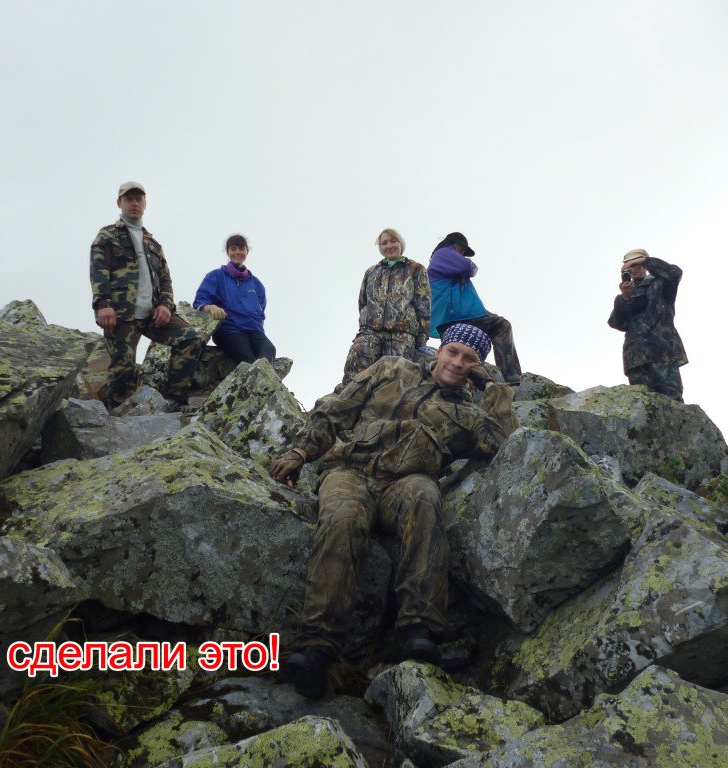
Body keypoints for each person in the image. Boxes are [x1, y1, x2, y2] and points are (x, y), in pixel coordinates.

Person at [269, 323, 519, 698]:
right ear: (439, 351)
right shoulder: (391, 367)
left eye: (470, 359)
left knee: (425, 496)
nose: (457, 362)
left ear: (477, 366)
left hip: (403, 484)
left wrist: (492, 388)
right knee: (343, 518)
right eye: (453, 352)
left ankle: (418, 630)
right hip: (349, 473)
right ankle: (317, 647)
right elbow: (335, 412)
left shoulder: (468, 415)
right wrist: (300, 452)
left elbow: (506, 441)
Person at [90, 182, 204, 409]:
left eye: (138, 199)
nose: (134, 203)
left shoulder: (153, 244)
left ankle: (174, 399)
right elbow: (98, 272)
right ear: (119, 203)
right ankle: (117, 415)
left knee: (190, 338)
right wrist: (103, 304)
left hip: (153, 314)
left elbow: (165, 280)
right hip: (121, 314)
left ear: (145, 204)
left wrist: (165, 305)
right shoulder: (108, 235)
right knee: (123, 374)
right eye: (129, 199)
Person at [338, 228, 431, 388]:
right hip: (370, 332)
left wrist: (421, 340)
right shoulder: (371, 272)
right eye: (384, 243)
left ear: (400, 244)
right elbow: (363, 302)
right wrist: (365, 325)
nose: (389, 246)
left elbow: (423, 305)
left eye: (393, 241)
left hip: (401, 335)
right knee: (354, 376)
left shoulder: (416, 269)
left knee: (394, 383)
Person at [427, 232, 523, 384]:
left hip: (449, 317)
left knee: (458, 354)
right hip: (461, 314)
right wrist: (469, 264)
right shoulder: (444, 253)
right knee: (501, 326)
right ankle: (511, 375)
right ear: (455, 244)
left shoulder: (441, 259)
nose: (462, 253)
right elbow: (469, 267)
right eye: (462, 249)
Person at [607, 248, 688, 401]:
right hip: (636, 358)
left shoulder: (661, 283)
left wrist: (646, 261)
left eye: (636, 264)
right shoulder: (624, 295)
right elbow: (617, 323)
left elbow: (674, 273)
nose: (634, 269)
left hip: (662, 352)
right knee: (642, 403)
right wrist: (626, 298)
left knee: (672, 399)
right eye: (630, 266)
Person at [194, 233, 276, 364]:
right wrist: (211, 307)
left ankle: (261, 376)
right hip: (229, 330)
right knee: (248, 360)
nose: (237, 252)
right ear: (228, 252)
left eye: (241, 248)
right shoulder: (216, 276)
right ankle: (256, 376)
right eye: (233, 249)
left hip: (255, 331)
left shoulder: (257, 284)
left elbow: (261, 311)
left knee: (269, 350)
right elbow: (200, 300)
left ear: (247, 251)